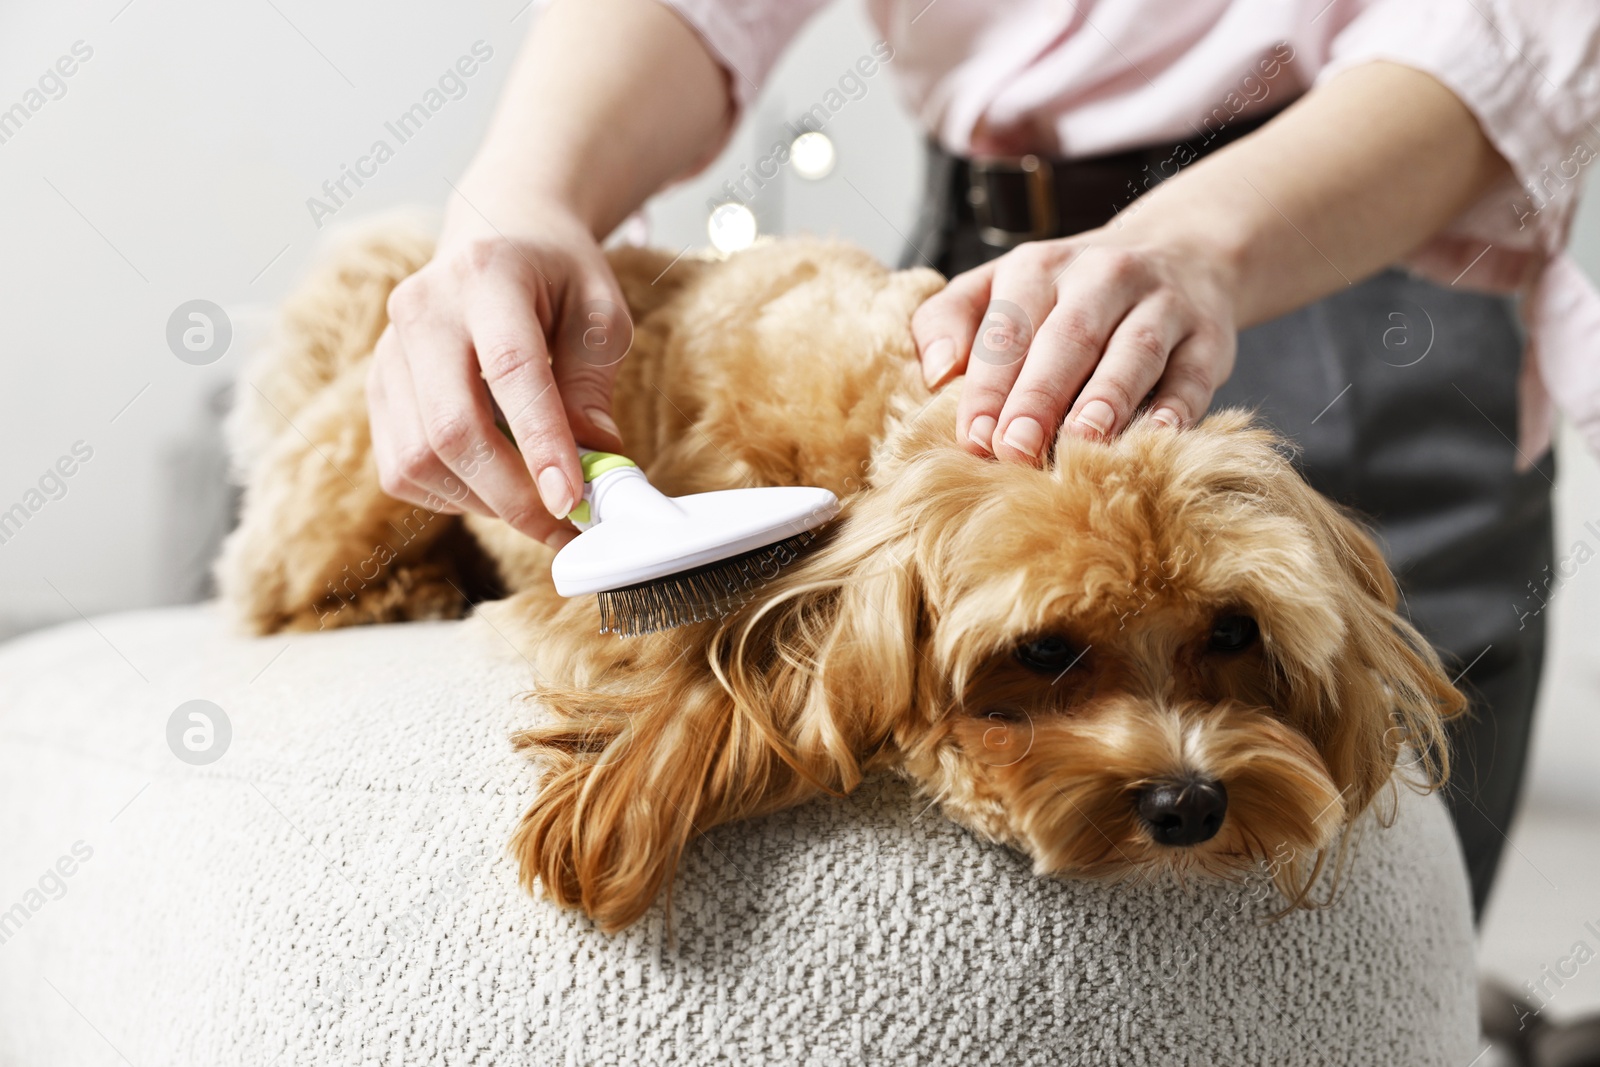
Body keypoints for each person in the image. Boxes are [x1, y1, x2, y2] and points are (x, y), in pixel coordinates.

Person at [364, 0, 1600, 919]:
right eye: (1053, 654)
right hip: (977, 261)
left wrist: (1198, 247)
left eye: (1223, 643)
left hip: (1348, 257)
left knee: (1357, 961)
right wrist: (520, 201)